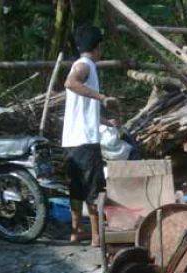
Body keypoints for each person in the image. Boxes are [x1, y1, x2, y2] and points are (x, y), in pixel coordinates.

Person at [62, 25, 118, 246]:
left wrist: (105, 121)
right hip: (85, 141)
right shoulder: (85, 65)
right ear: (97, 47)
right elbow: (70, 83)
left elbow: (82, 109)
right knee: (94, 189)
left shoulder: (82, 65)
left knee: (76, 189)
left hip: (73, 139)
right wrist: (102, 97)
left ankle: (76, 232)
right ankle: (96, 236)